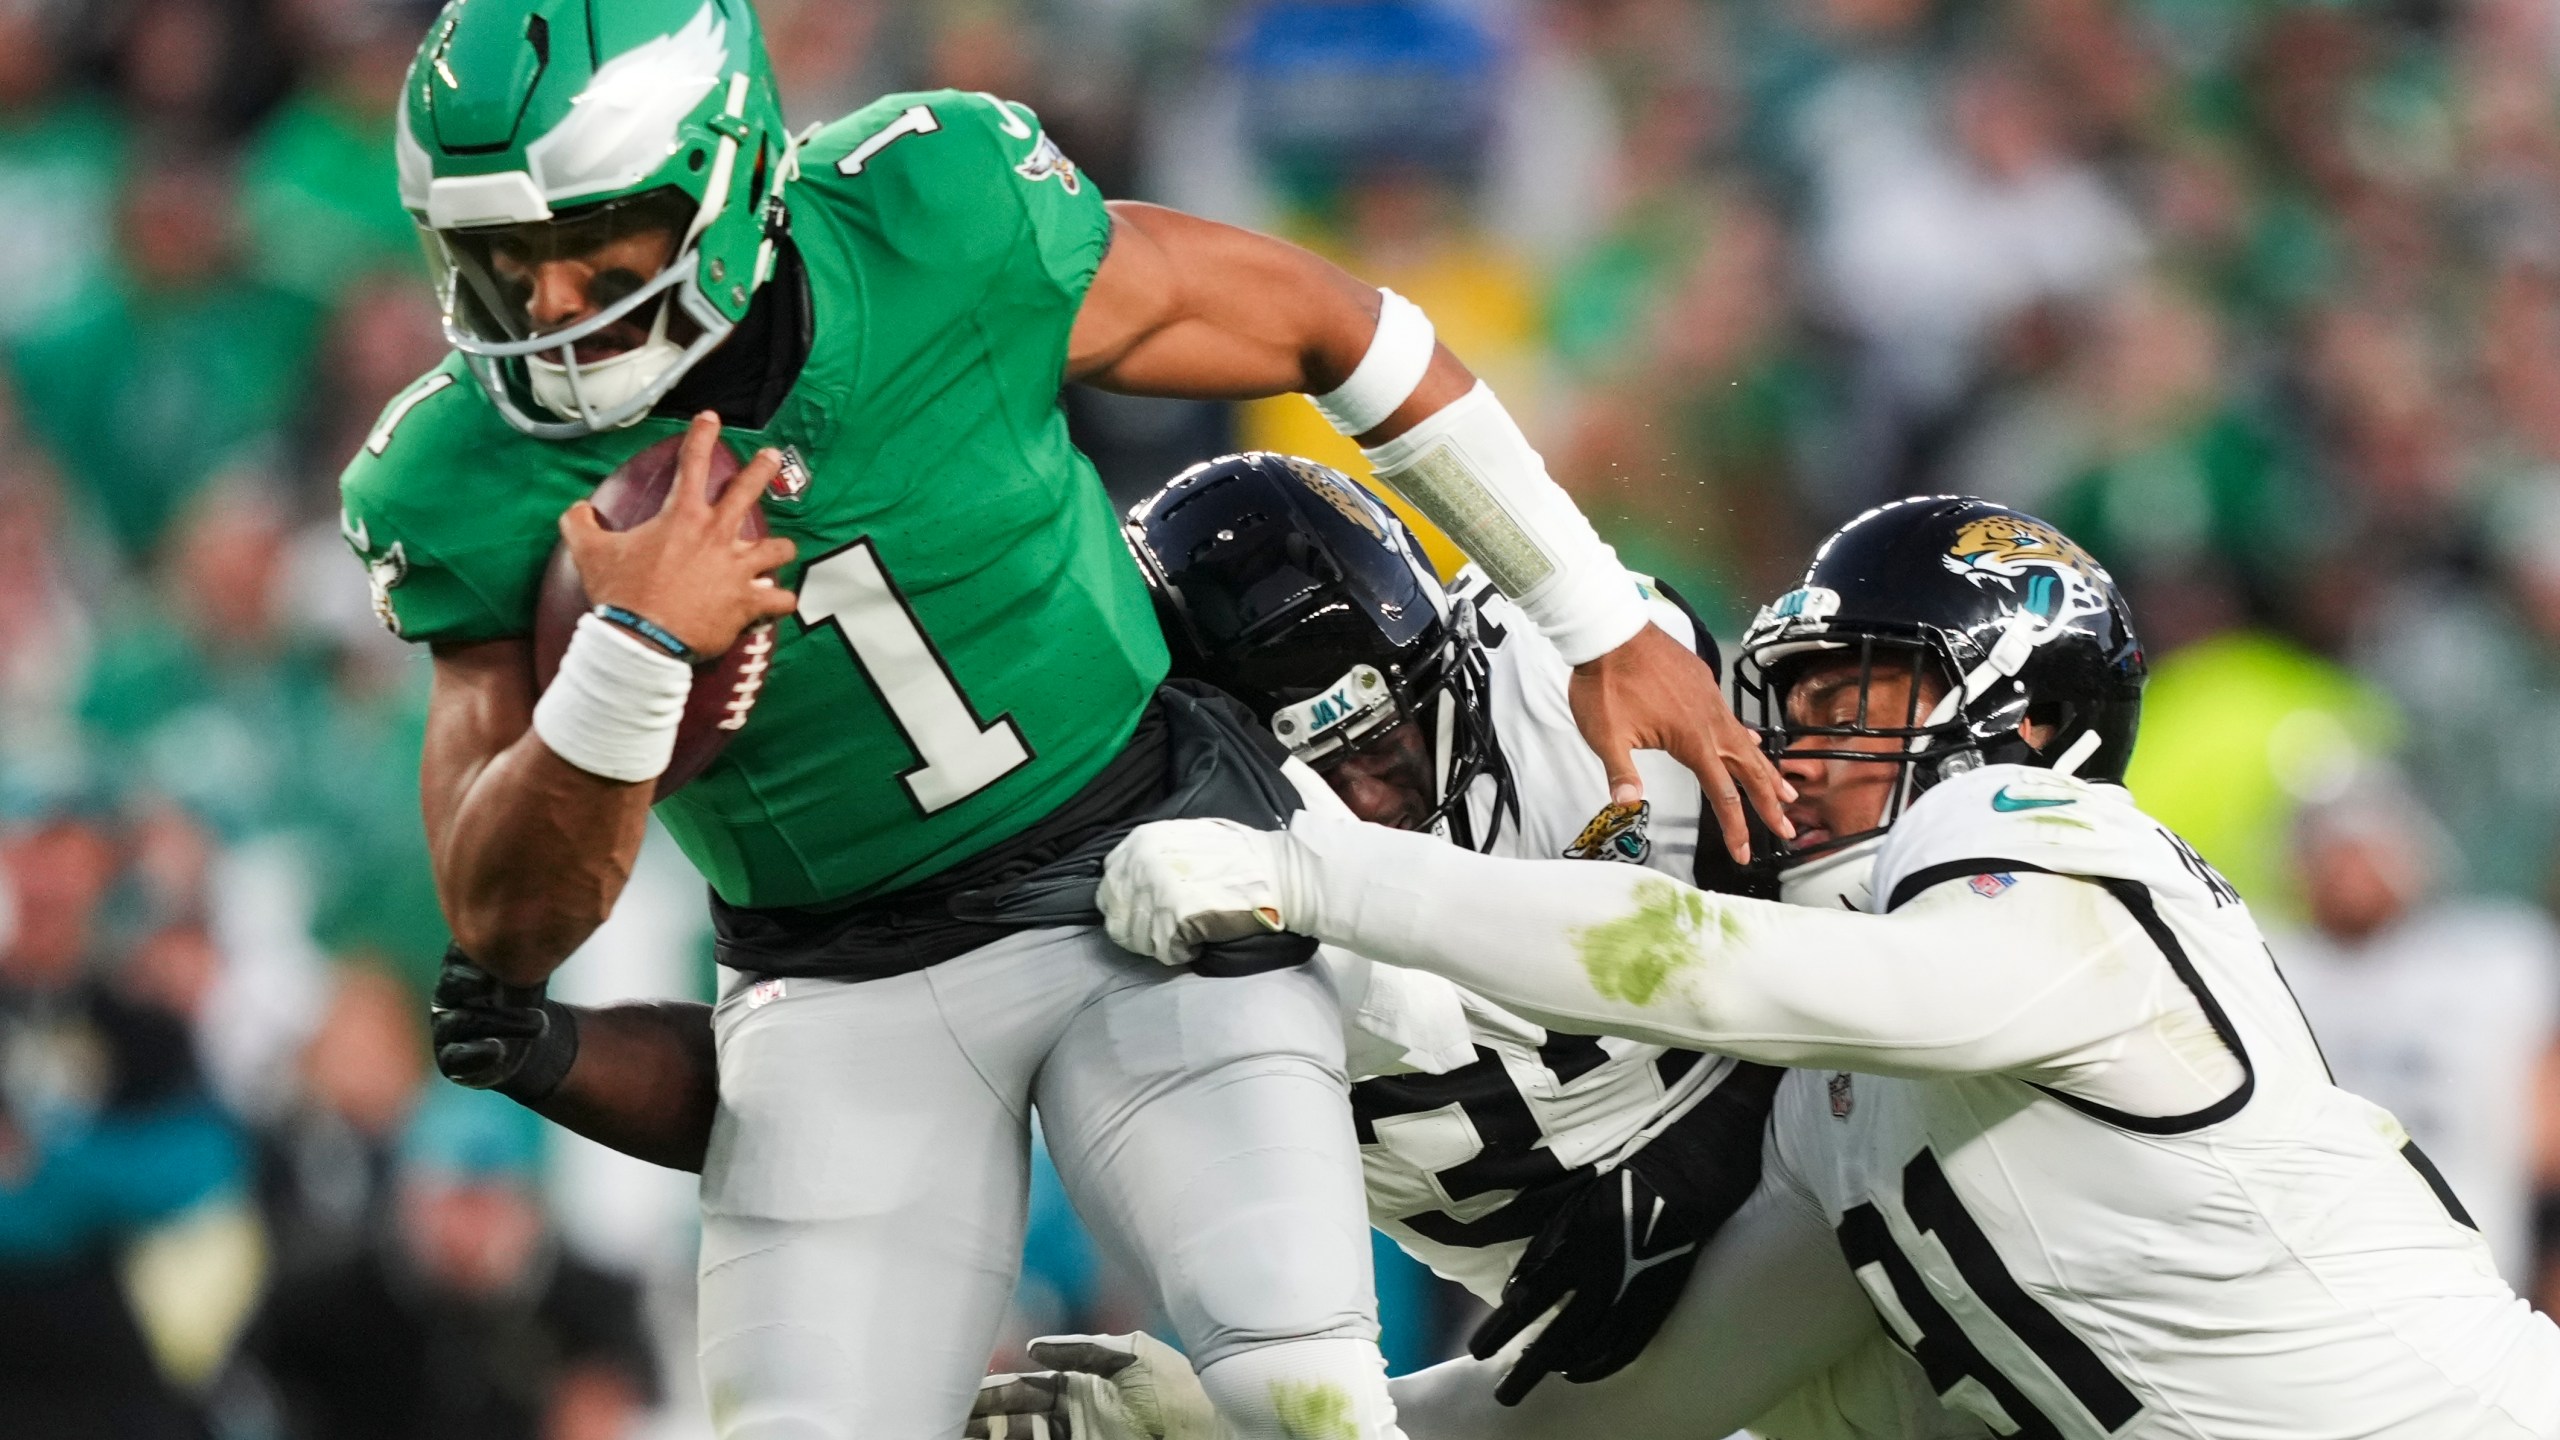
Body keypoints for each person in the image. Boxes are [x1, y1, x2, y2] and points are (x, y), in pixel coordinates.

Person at [345, 5, 1787, 1437]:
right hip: (839, 982)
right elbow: (502, 924)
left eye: (591, 241)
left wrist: (1594, 619)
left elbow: (1329, 322)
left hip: (1155, 866)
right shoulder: (456, 474)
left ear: (724, 179)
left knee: (1308, 1396)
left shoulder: (931, 214)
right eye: (500, 259)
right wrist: (636, 656)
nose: (547, 305)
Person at [434, 452, 1961, 1439]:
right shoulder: (1153, 858)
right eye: (1335, 765)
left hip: (1850, 1195)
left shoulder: (1585, 663)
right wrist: (565, 1052)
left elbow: (1859, 911)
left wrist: (1749, 1138)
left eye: (1396, 733)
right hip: (1593, 1349)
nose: (1389, 792)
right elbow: (851, 1093)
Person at [1100, 496, 2560, 1436]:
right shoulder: (1835, 1114)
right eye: (1791, 696)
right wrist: (1232, 1427)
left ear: (2032, 724)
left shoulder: (2041, 842)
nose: (1798, 746)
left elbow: (1762, 976)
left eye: (1858, 696)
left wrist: (1330, 875)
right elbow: (1590, 1414)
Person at [2269, 769, 2560, 1296]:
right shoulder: (2267, 965)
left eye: (2366, 846)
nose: (2347, 867)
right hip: (2312, 1275)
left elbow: (2549, 1137)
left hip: (2479, 1280)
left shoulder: (2500, 959)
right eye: (2330, 847)